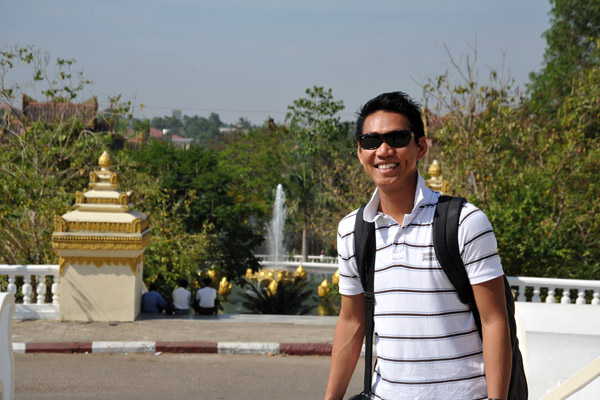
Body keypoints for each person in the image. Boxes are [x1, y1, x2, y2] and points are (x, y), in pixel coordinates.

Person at [325, 92, 511, 400]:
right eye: (371, 141)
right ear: (360, 152)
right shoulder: (352, 231)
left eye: (397, 138)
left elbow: (494, 320)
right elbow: (351, 321)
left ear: (420, 147)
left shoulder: (465, 222)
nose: (383, 150)